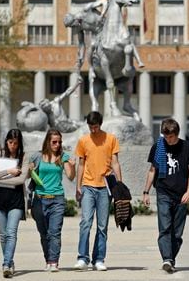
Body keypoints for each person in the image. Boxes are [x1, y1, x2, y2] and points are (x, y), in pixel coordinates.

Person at [142, 118, 189, 274]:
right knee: (165, 228)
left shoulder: (187, 148)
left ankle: (171, 258)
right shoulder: (158, 147)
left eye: (171, 137)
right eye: (166, 136)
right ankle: (167, 259)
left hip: (181, 194)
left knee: (177, 233)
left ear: (177, 134)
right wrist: (146, 192)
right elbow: (152, 170)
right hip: (163, 191)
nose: (168, 140)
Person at [74, 111, 123, 271]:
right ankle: (82, 258)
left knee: (102, 225)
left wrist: (120, 185)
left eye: (95, 127)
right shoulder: (83, 140)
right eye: (90, 127)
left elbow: (115, 163)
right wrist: (78, 186)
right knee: (85, 223)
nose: (93, 130)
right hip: (88, 186)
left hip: (105, 188)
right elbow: (80, 164)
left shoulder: (111, 139)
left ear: (100, 124)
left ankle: (99, 259)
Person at [30, 129, 76, 272]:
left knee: (54, 232)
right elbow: (27, 175)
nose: (57, 144)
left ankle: (54, 261)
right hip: (39, 199)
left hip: (57, 199)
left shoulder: (63, 157)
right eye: (54, 142)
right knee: (44, 233)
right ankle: (47, 260)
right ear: (48, 142)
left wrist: (73, 166)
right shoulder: (37, 156)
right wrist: (28, 169)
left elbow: (70, 176)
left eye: (59, 142)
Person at [0, 129, 30, 278]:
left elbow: (21, 180)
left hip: (16, 201)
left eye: (15, 143)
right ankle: (10, 262)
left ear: (19, 144)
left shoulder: (24, 157)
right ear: (6, 141)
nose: (12, 146)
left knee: (11, 233)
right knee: (3, 235)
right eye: (10, 142)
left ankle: (6, 263)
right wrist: (8, 172)